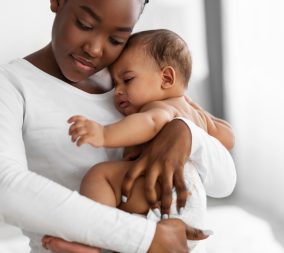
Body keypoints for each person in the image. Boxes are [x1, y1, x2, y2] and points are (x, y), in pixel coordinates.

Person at [0, 1, 236, 253]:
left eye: (117, 39)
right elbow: (7, 188)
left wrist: (185, 133)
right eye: (85, 24)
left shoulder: (140, 82)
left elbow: (224, 184)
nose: (94, 48)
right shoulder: (12, 85)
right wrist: (148, 238)